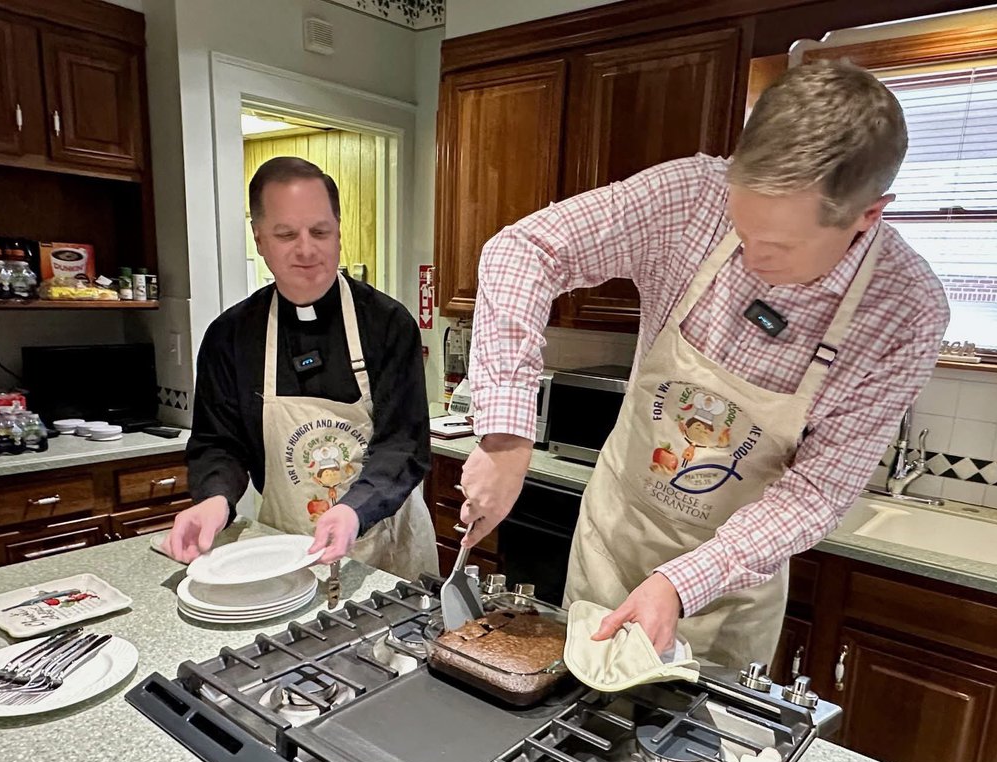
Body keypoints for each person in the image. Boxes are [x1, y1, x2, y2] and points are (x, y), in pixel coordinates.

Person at [459, 61, 949, 668]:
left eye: (778, 245)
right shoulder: (693, 196)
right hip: (615, 538)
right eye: (742, 227)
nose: (750, 255)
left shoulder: (906, 312)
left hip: (727, 588)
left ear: (867, 215)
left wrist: (681, 582)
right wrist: (506, 436)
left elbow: (816, 492)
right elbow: (523, 249)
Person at [164, 156, 437, 580]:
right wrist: (214, 499)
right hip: (285, 548)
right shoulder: (231, 336)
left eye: (320, 232)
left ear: (339, 233)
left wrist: (354, 509)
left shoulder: (387, 324)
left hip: (387, 550)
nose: (307, 249)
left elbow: (402, 444)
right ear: (259, 239)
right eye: (287, 234)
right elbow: (219, 442)